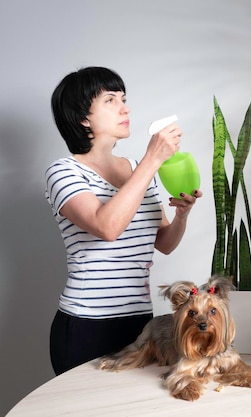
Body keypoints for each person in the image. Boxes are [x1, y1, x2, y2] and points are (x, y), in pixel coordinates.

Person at [44, 66, 202, 375]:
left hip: (139, 322)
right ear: (82, 117)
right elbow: (107, 227)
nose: (125, 107)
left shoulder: (136, 168)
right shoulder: (63, 171)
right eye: (110, 100)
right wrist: (152, 159)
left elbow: (165, 243)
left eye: (124, 98)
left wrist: (182, 214)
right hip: (85, 323)